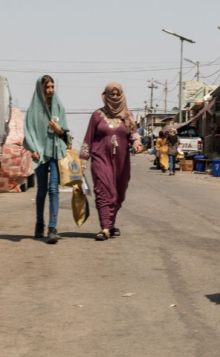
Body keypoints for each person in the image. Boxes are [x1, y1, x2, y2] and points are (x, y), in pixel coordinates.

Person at [80, 83, 143, 240]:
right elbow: (88, 138)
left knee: (118, 194)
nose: (114, 97)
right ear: (105, 96)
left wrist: (137, 143)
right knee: (103, 190)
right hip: (100, 157)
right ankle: (105, 228)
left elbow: (133, 133)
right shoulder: (97, 116)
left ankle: (110, 223)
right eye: (111, 94)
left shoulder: (127, 116)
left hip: (121, 162)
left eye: (117, 94)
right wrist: (82, 160)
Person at [24, 75, 69, 244]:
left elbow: (66, 132)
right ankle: (39, 223)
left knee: (53, 189)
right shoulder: (33, 110)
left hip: (55, 153)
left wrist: (59, 129)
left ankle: (52, 228)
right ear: (41, 89)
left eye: (52, 86)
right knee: (42, 190)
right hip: (39, 154)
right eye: (47, 87)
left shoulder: (58, 106)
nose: (50, 90)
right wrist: (32, 149)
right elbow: (28, 131)